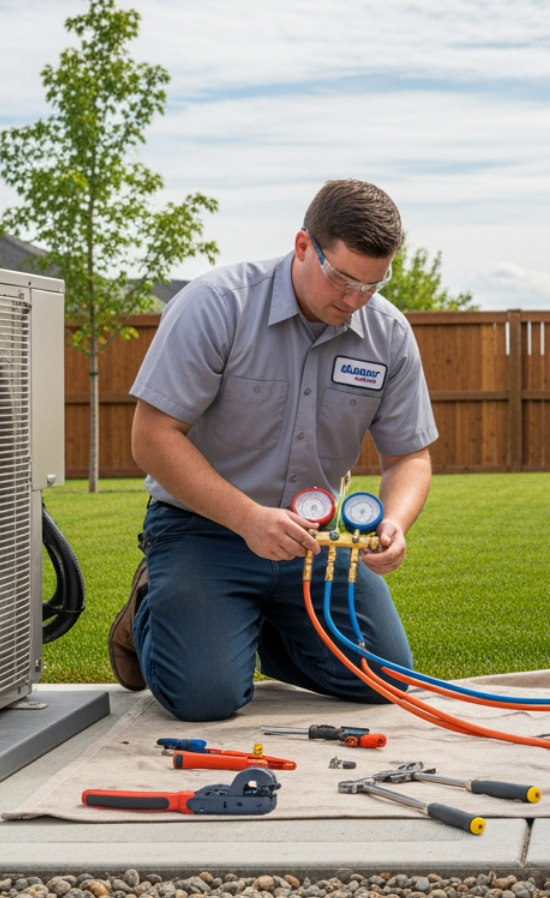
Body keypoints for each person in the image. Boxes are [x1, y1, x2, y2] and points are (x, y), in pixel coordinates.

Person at [107, 179, 437, 722]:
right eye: (343, 279)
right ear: (304, 246)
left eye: (372, 286)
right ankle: (156, 606)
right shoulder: (216, 306)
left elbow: (409, 457)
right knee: (205, 699)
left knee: (387, 682)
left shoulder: (389, 335)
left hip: (322, 539)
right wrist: (246, 518)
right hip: (206, 528)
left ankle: (241, 625)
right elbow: (152, 436)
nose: (354, 300)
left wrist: (395, 522)